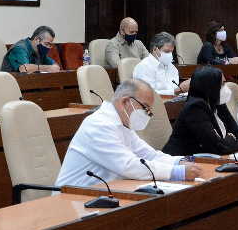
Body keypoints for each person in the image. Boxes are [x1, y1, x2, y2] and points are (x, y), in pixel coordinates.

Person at [55, 79, 202, 187]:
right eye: (145, 108)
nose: (147, 114)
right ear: (125, 102)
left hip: (102, 194)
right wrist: (175, 172)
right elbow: (129, 166)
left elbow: (148, 155)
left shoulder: (122, 124)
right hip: (71, 201)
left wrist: (179, 162)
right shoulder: (99, 125)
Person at [163, 66, 238, 156]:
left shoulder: (219, 103)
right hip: (183, 160)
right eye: (222, 84)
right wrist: (230, 140)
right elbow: (218, 147)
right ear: (210, 87)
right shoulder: (194, 108)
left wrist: (227, 142)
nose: (226, 88)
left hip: (210, 157)